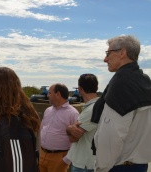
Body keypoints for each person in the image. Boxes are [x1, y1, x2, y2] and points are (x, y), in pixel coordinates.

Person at [91, 35, 151, 172]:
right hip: (140, 165)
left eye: (108, 53)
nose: (105, 59)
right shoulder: (144, 81)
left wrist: (101, 168)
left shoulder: (121, 84)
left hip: (118, 167)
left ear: (122, 53)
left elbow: (112, 135)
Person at [39, 83, 79, 172]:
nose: (47, 95)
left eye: (49, 93)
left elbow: (77, 139)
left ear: (58, 94)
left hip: (59, 158)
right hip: (42, 154)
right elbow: (42, 129)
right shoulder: (48, 110)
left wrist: (66, 160)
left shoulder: (73, 113)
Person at [63, 74, 99, 172]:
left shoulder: (92, 109)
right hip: (91, 161)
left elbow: (73, 138)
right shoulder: (97, 106)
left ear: (80, 89)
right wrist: (70, 128)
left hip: (84, 163)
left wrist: (69, 129)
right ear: (97, 87)